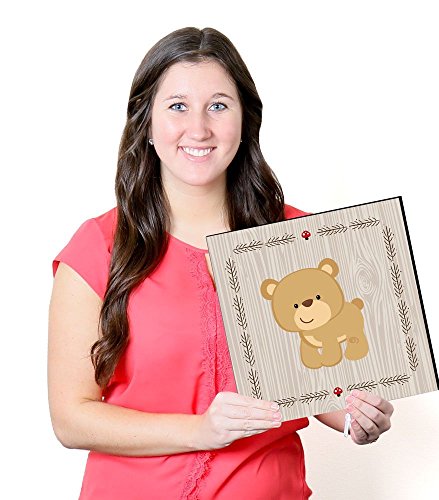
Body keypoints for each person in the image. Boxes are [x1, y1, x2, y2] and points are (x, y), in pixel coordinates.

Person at [48, 26, 394, 499]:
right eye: (177, 106)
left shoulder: (296, 238)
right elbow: (71, 418)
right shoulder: (98, 247)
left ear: (245, 120)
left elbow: (316, 383)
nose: (199, 129)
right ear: (146, 122)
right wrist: (200, 430)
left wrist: (357, 414)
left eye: (218, 106)